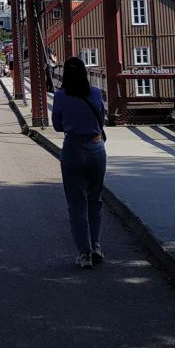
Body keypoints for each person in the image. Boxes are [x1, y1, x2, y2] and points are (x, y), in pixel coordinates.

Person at [52, 57, 108, 269]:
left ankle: (84, 254)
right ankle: (96, 245)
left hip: (73, 148)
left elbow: (57, 125)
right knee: (95, 199)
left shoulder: (61, 95)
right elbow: (101, 118)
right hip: (96, 147)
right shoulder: (95, 93)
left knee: (76, 203)